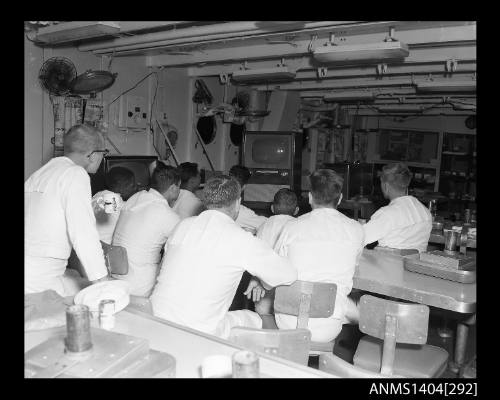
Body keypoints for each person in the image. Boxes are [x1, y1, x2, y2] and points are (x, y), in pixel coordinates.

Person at [150, 175, 297, 339]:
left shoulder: (182, 226)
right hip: (201, 331)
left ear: (205, 201)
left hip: (156, 320)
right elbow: (288, 274)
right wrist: (262, 282)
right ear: (238, 203)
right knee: (256, 318)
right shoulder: (241, 239)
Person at [270, 169, 364, 343]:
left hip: (288, 321)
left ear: (310, 197)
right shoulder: (356, 229)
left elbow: (276, 270)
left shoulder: (292, 227)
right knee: (349, 303)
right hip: (328, 327)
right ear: (340, 198)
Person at [25, 124, 110, 296]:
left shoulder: (39, 174)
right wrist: (103, 283)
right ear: (92, 155)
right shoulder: (76, 174)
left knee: (76, 280)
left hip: (32, 269)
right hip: (42, 277)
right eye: (103, 153)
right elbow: (84, 234)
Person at [111, 163, 181, 297]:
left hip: (117, 275)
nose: (179, 191)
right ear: (172, 188)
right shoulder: (165, 214)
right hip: (140, 285)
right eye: (179, 187)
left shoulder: (135, 198)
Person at [363, 163, 432, 252]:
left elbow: (359, 239)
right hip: (414, 265)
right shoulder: (425, 212)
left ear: (386, 186)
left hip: (387, 264)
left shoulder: (386, 214)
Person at [91, 167, 137, 245]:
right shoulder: (118, 202)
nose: (136, 188)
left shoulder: (97, 196)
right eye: (132, 185)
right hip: (102, 249)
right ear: (122, 188)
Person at [229, 165, 267, 233]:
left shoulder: (210, 207)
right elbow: (270, 225)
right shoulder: (243, 213)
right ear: (244, 187)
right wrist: (255, 231)